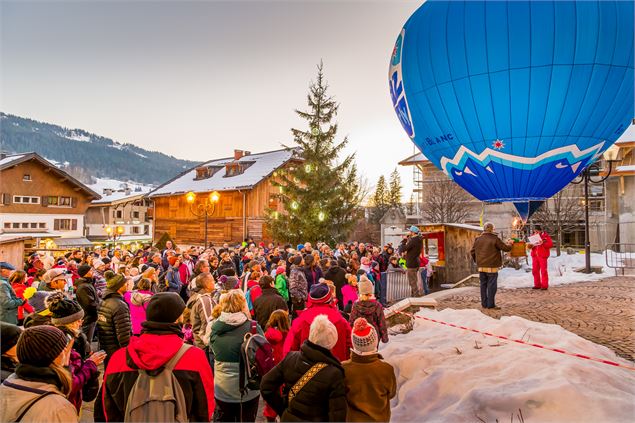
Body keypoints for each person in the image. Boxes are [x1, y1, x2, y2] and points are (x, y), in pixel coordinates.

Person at [98, 292, 215, 422]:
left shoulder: (119, 358)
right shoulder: (194, 356)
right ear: (177, 319)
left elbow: (107, 406)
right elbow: (205, 406)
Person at [260, 314, 347, 422]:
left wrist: (283, 409)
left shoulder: (291, 358)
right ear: (333, 341)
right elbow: (337, 416)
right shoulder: (334, 373)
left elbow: (266, 385)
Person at [0, 325, 78, 423]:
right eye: (62, 348)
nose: (66, 351)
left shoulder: (7, 383)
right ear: (53, 356)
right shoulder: (59, 409)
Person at [209, 290, 263, 422]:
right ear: (242, 305)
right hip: (248, 389)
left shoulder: (214, 328)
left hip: (222, 389)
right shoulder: (253, 328)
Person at [48, 293, 103, 412]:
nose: (81, 323)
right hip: (66, 400)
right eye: (78, 320)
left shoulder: (52, 335)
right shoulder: (67, 342)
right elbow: (70, 381)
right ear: (70, 322)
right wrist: (91, 363)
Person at [342, 318, 396, 422]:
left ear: (354, 343)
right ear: (374, 341)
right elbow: (392, 394)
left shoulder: (344, 369)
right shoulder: (386, 369)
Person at [283, 283, 352, 362]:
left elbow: (288, 351)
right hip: (336, 368)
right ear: (330, 299)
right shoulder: (341, 320)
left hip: (308, 370)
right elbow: (350, 347)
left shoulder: (300, 321)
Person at [470, 222, 513, 310]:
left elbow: (472, 252)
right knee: (492, 285)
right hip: (492, 267)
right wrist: (511, 244)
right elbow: (506, 248)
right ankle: (491, 305)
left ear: (484, 229)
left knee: (483, 285)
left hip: (481, 266)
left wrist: (477, 261)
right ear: (492, 229)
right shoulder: (494, 238)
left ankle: (484, 304)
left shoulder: (478, 239)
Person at [96, 271, 131, 366]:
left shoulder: (104, 300)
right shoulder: (119, 305)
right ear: (119, 287)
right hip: (116, 349)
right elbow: (123, 334)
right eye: (125, 283)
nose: (127, 285)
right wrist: (127, 352)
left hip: (106, 345)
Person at [349, 278, 388, 344]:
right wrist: (384, 338)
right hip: (374, 335)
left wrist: (351, 336)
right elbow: (382, 323)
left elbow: (351, 321)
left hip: (359, 336)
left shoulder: (356, 305)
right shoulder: (377, 305)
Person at [188, 272, 217, 349]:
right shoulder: (205, 300)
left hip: (200, 342)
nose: (215, 282)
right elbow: (208, 323)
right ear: (206, 284)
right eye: (212, 280)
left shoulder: (201, 297)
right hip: (204, 344)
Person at [75, 264, 100, 342]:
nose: (93, 272)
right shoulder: (84, 287)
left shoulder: (88, 284)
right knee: (85, 341)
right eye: (91, 271)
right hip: (87, 318)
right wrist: (101, 306)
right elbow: (89, 304)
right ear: (85, 273)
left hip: (91, 317)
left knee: (88, 339)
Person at [401, 226, 424, 297]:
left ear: (413, 232)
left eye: (410, 231)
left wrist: (404, 240)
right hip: (416, 262)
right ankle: (413, 295)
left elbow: (403, 248)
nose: (409, 232)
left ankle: (415, 297)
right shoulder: (419, 239)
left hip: (411, 263)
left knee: (412, 282)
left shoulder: (413, 240)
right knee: (414, 280)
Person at [529, 225, 554, 290]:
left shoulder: (545, 236)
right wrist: (530, 246)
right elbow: (532, 246)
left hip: (542, 256)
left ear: (540, 230)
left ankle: (544, 285)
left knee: (543, 271)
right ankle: (537, 284)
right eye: (535, 231)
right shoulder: (533, 236)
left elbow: (550, 244)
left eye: (537, 231)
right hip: (535, 256)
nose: (535, 232)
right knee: (535, 271)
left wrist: (542, 243)